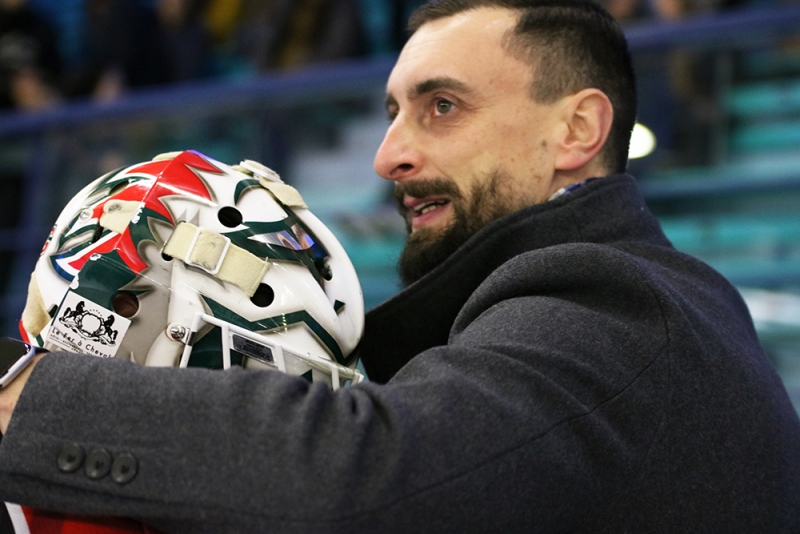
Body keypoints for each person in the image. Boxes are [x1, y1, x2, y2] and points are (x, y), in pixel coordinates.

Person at [1, 1, 799, 532]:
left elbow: (371, 473)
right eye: (391, 114)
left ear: (576, 131)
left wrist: (17, 396)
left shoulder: (619, 297)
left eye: (440, 107)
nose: (390, 156)